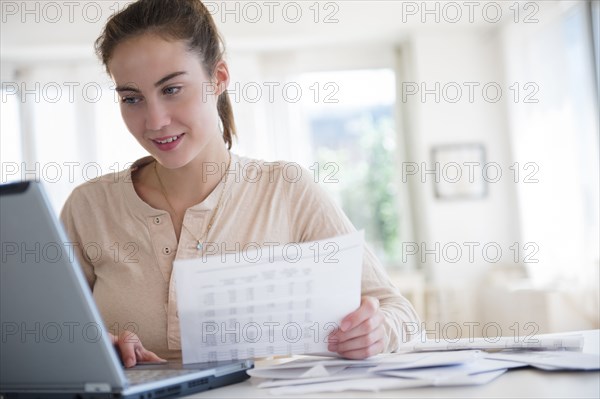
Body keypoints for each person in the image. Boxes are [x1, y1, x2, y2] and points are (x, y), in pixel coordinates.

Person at [60, 0, 420, 368]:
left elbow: (399, 312)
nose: (155, 121)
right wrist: (94, 344)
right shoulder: (88, 206)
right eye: (132, 98)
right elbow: (47, 330)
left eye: (171, 90)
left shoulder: (285, 189)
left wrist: (376, 331)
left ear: (218, 79)